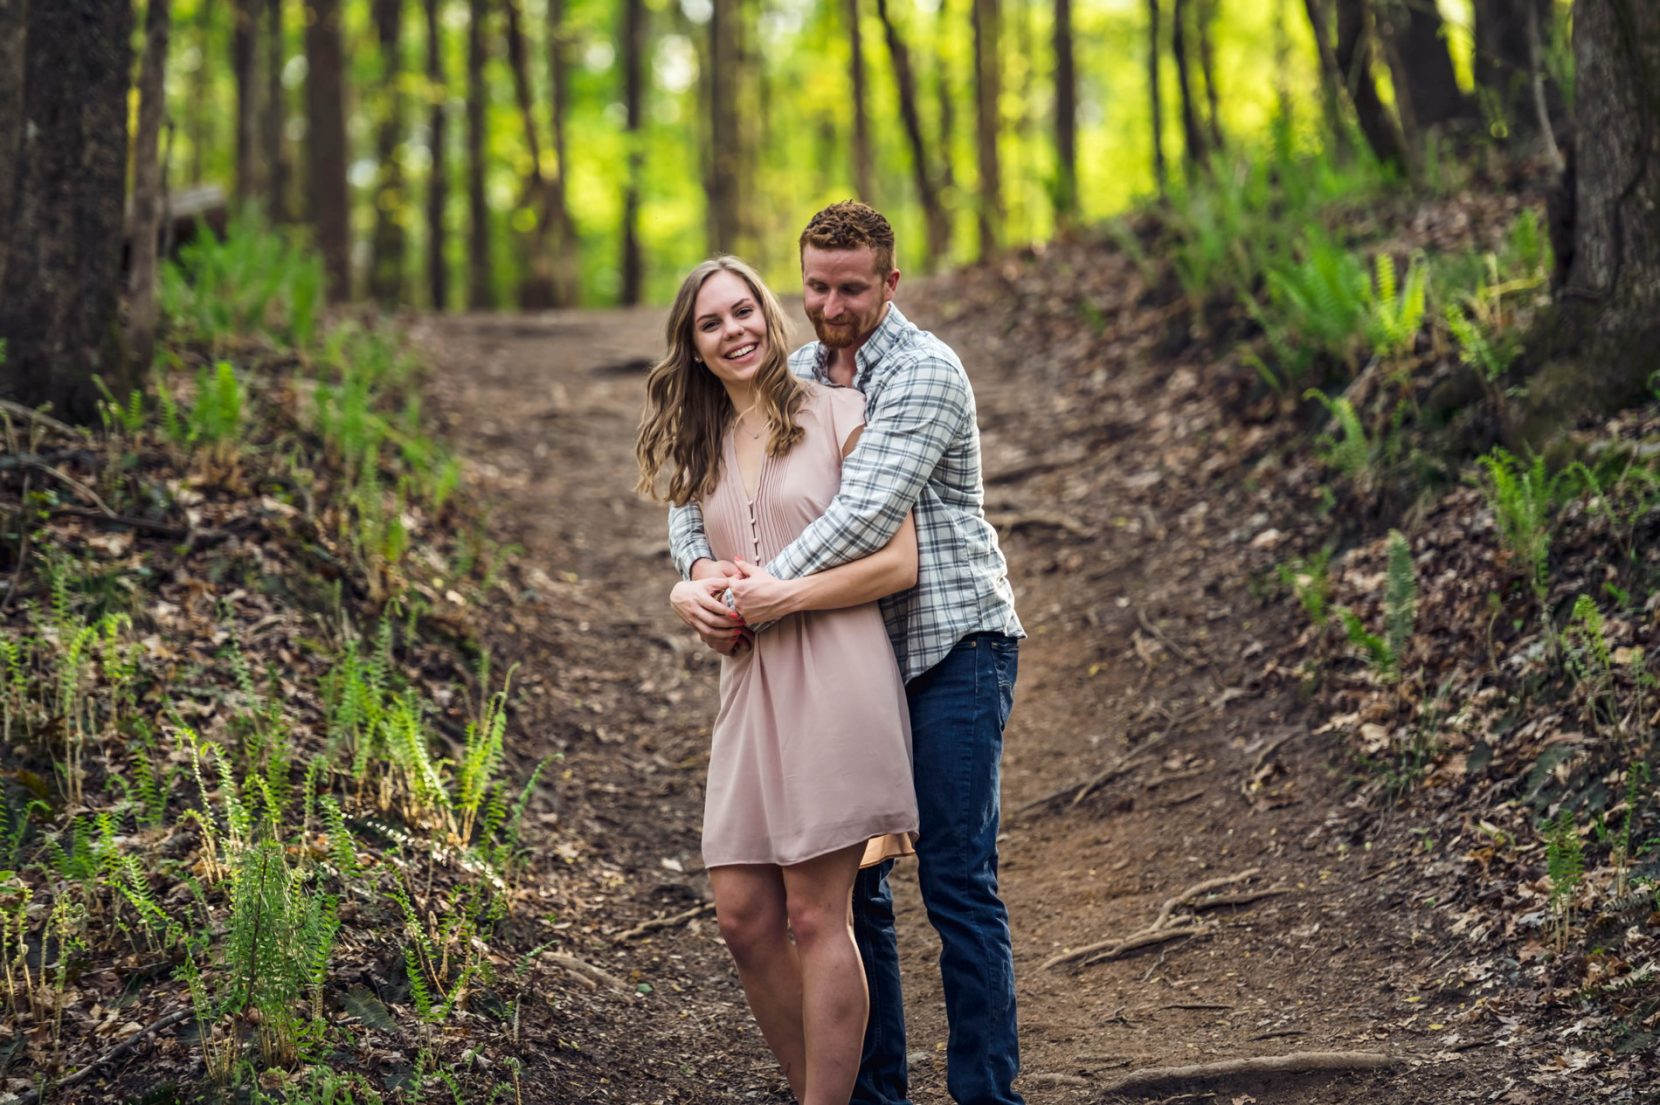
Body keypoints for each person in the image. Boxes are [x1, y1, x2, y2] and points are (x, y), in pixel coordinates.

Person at [668, 202, 1026, 1105]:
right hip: (846, 657)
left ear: (891, 282)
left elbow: (864, 518)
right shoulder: (787, 374)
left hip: (949, 644)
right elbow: (703, 486)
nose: (831, 304)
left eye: (852, 287)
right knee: (855, 901)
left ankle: (989, 1093)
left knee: (956, 881)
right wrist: (697, 574)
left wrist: (758, 595)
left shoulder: (922, 372)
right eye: (816, 286)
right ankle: (876, 1097)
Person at [636, 255, 922, 1105]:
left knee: (813, 915)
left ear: (770, 311)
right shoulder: (701, 445)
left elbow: (897, 561)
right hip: (750, 689)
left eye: (744, 310)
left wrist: (782, 594)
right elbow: (693, 552)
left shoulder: (842, 412)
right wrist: (692, 589)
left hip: (837, 675)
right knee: (743, 919)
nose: (735, 331)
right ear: (692, 346)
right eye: (712, 322)